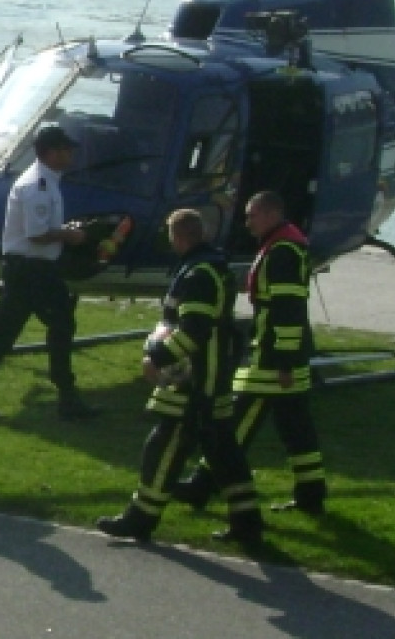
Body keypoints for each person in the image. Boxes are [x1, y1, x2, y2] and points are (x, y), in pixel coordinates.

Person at [96, 210, 263, 546]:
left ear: (179, 237)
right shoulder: (212, 267)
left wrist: (157, 357)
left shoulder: (198, 274)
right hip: (212, 377)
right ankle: (247, 521)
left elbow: (194, 330)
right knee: (223, 453)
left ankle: (141, 517)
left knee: (164, 446)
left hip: (194, 381)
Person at [176, 190, 327, 521]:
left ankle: (203, 484)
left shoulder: (282, 252)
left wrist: (284, 360)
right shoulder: (285, 246)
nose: (247, 223)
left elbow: (287, 309)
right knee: (295, 427)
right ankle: (311, 493)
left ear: (272, 214)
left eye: (252, 215)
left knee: (235, 425)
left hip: (272, 357)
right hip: (285, 352)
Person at [0, 124, 97, 420]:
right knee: (58, 326)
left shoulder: (44, 182)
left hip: (28, 268)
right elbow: (36, 234)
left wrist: (62, 232)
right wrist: (69, 235)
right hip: (33, 269)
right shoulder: (37, 186)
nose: (70, 154)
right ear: (50, 153)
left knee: (5, 329)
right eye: (65, 149)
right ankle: (66, 396)